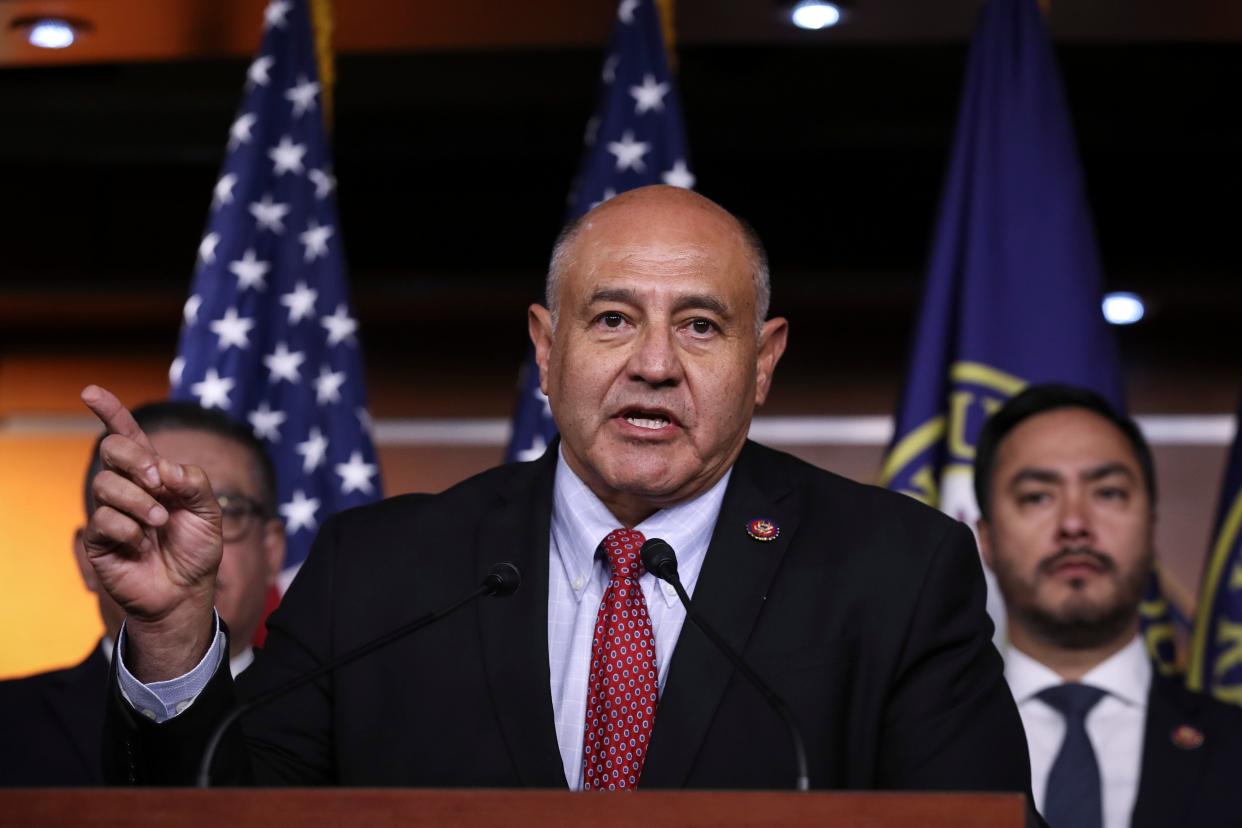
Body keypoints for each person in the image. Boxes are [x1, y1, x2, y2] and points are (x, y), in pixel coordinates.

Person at [86, 185, 1034, 797]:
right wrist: (172, 638)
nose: (655, 364)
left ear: (763, 362)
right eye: (613, 318)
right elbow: (237, 818)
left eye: (701, 326)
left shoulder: (896, 571)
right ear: (547, 349)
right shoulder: (378, 573)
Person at [974, 383, 1242, 828]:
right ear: (986, 539)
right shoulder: (923, 752)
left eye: (1108, 493)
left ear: (1151, 522)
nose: (1075, 524)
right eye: (1038, 496)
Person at [0, 401, 285, 786]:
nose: (185, 540)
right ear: (87, 557)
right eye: (148, 509)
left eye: (225, 509)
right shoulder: (9, 719)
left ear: (272, 551)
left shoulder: (341, 720)